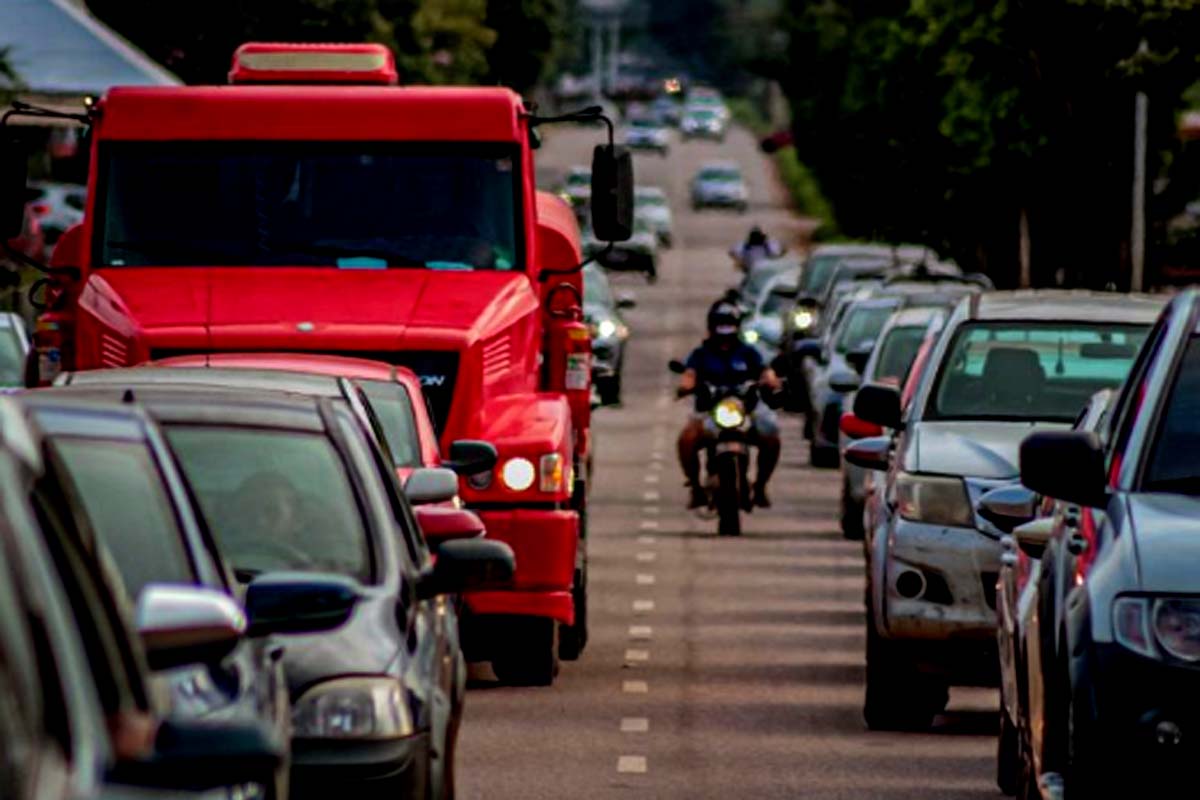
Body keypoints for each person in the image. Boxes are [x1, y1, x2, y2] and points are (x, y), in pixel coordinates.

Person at [676, 302, 783, 509]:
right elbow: (689, 374)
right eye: (720, 326)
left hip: (746, 411)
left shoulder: (748, 353)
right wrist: (686, 386)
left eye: (729, 326)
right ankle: (696, 488)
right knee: (686, 440)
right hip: (710, 412)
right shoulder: (701, 354)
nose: (725, 334)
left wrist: (771, 381)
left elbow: (764, 371)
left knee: (771, 436)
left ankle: (760, 486)